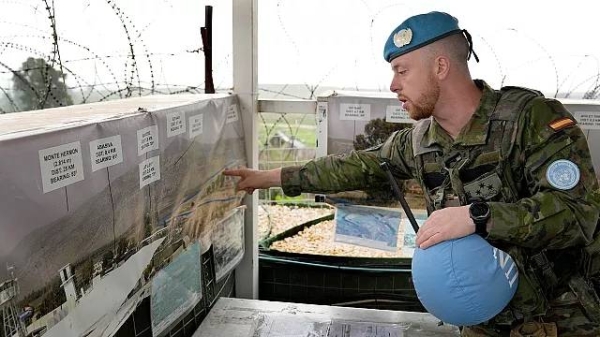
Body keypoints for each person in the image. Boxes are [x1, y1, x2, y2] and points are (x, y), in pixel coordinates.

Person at [224, 11, 600, 336]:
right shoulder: (419, 143)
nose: (393, 85)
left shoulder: (530, 120)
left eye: (402, 70)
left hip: (562, 316)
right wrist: (268, 178)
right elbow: (355, 167)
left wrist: (477, 217)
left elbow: (576, 212)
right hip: (485, 321)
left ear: (440, 66)